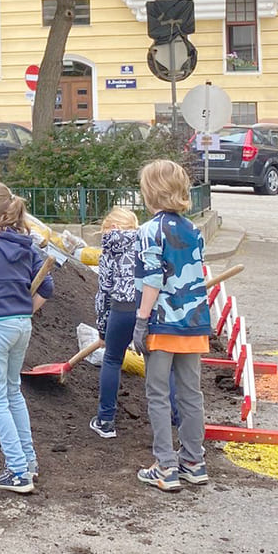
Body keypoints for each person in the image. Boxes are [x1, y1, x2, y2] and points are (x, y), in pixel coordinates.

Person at [133, 159, 212, 492]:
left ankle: (165, 467)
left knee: (158, 395)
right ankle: (194, 462)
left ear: (150, 192)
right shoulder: (193, 229)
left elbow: (151, 279)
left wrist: (140, 320)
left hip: (162, 324)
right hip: (194, 323)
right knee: (191, 395)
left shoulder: (150, 230)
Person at [0, 180, 52, 494]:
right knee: (12, 392)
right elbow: (47, 288)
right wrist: (25, 310)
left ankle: (17, 471)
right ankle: (29, 462)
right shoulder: (26, 244)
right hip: (22, 325)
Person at [89, 205, 140, 439]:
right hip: (148, 309)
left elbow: (104, 291)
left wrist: (102, 328)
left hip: (121, 309)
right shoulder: (149, 242)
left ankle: (106, 421)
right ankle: (175, 418)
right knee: (159, 361)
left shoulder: (110, 248)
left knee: (112, 359)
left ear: (113, 227)